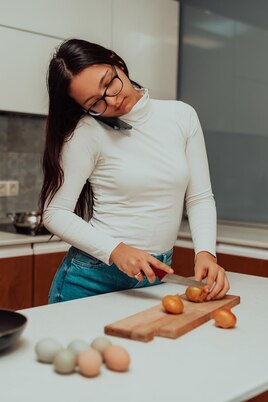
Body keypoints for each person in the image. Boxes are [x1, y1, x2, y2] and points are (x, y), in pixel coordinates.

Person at [40, 38, 229, 304]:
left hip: (154, 277)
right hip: (91, 279)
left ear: (117, 63)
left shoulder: (181, 116)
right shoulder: (87, 132)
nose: (112, 99)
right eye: (95, 102)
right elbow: (54, 213)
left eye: (109, 82)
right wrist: (116, 250)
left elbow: (199, 198)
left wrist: (206, 253)